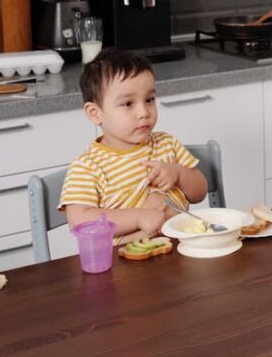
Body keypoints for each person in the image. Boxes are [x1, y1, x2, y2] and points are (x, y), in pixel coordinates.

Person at [59, 49, 208, 242]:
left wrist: (178, 174)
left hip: (182, 248)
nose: (143, 112)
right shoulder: (88, 167)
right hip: (127, 261)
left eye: (149, 100)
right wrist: (139, 218)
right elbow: (80, 221)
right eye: (128, 103)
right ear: (95, 113)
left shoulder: (166, 143)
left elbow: (200, 192)